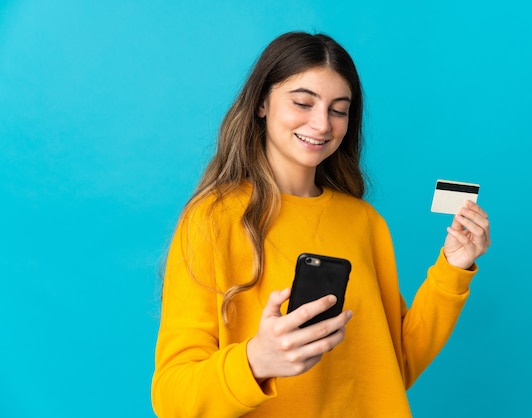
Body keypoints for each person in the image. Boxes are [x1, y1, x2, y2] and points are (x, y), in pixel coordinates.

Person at [151, 31, 491, 418]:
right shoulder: (212, 219)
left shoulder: (364, 222)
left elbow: (392, 368)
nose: (321, 123)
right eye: (302, 102)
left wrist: (454, 268)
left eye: (338, 109)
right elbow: (172, 399)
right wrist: (256, 361)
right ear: (262, 102)